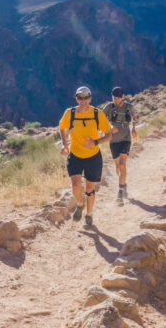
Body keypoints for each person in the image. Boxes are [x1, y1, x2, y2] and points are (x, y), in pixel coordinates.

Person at [59, 86, 112, 227]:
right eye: (79, 98)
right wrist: (65, 145)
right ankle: (80, 204)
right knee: (75, 185)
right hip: (75, 154)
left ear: (90, 98)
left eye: (85, 98)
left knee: (89, 188)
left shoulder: (97, 114)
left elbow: (109, 135)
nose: (83, 101)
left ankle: (89, 215)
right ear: (76, 98)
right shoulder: (69, 113)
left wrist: (95, 142)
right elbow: (62, 127)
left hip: (93, 156)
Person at [102, 87, 138, 203]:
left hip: (126, 138)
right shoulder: (109, 107)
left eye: (117, 97)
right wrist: (109, 127)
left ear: (122, 96)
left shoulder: (129, 107)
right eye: (114, 97)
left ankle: (120, 192)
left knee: (122, 165)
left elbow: (134, 116)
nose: (115, 100)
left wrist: (133, 128)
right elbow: (101, 119)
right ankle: (123, 183)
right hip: (113, 141)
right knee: (117, 167)